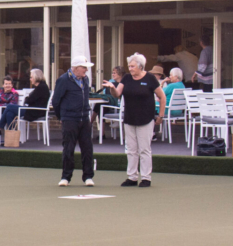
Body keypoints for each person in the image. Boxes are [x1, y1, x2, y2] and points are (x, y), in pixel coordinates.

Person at [103, 53, 165, 187]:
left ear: (140, 66)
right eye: (129, 66)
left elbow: (162, 96)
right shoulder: (126, 78)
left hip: (146, 118)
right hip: (129, 118)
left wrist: (161, 115)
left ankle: (146, 178)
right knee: (131, 149)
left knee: (144, 149)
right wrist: (112, 88)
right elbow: (117, 94)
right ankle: (132, 177)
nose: (130, 69)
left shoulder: (150, 78)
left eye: (132, 66)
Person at [51, 57, 95, 187]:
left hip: (84, 118)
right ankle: (66, 177)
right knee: (68, 148)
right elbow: (56, 101)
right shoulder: (63, 80)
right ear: (75, 68)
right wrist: (62, 117)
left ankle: (88, 177)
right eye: (84, 67)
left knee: (87, 148)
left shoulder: (85, 79)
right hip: (69, 119)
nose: (86, 70)